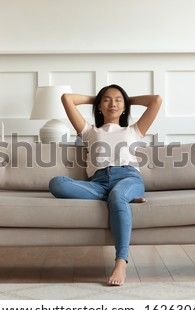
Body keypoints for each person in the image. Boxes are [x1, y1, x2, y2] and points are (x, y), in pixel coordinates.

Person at [49, 84, 162, 286]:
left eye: (118, 100)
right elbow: (67, 98)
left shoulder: (134, 130)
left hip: (128, 178)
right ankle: (120, 198)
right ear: (99, 106)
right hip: (98, 184)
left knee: (118, 194)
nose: (113, 103)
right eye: (107, 100)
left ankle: (121, 261)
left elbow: (156, 101)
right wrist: (98, 98)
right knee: (57, 183)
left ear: (125, 106)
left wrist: (125, 99)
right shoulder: (89, 131)